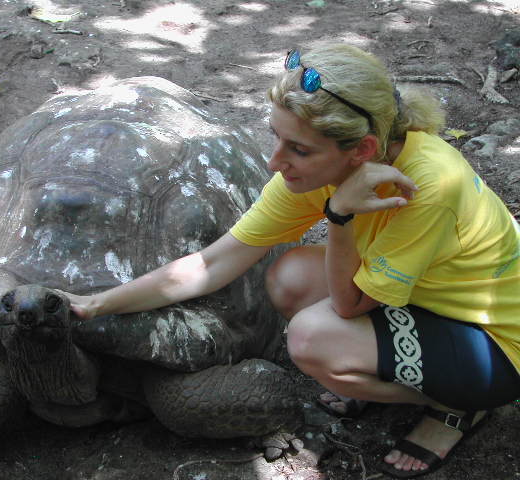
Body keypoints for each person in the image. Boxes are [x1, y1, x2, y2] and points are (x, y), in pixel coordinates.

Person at [61, 42, 520, 478]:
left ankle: (457, 406)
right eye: (276, 138)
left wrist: (339, 216)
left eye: (298, 149)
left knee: (310, 339)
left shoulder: (427, 187)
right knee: (290, 276)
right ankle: (400, 370)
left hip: (495, 342)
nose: (276, 161)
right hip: (426, 299)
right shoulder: (321, 170)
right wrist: (95, 303)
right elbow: (214, 263)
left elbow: (348, 307)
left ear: (361, 150)